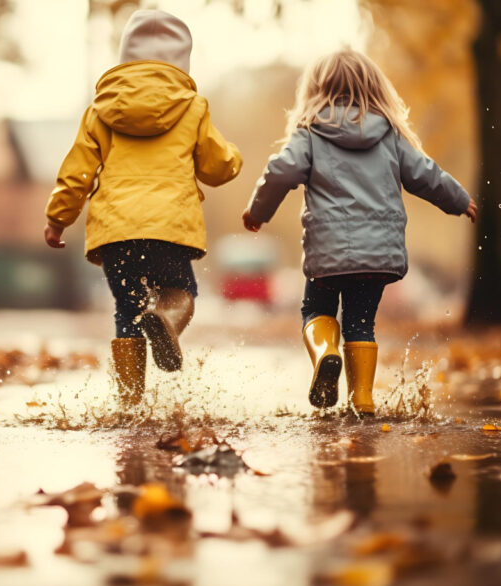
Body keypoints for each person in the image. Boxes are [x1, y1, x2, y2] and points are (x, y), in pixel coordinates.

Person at [243, 49, 477, 416]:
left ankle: (326, 353)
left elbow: (280, 172)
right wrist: (459, 199)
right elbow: (426, 174)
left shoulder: (310, 133)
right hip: (378, 257)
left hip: (327, 255)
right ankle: (362, 401)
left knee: (316, 309)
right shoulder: (390, 135)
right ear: (374, 88)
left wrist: (258, 212)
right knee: (361, 321)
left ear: (316, 89)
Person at [44, 9, 242, 405]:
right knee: (179, 290)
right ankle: (167, 318)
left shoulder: (101, 110)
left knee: (126, 310)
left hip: (116, 232)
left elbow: (77, 173)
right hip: (170, 228)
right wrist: (233, 157)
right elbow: (218, 167)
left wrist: (57, 219)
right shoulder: (192, 108)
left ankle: (129, 402)